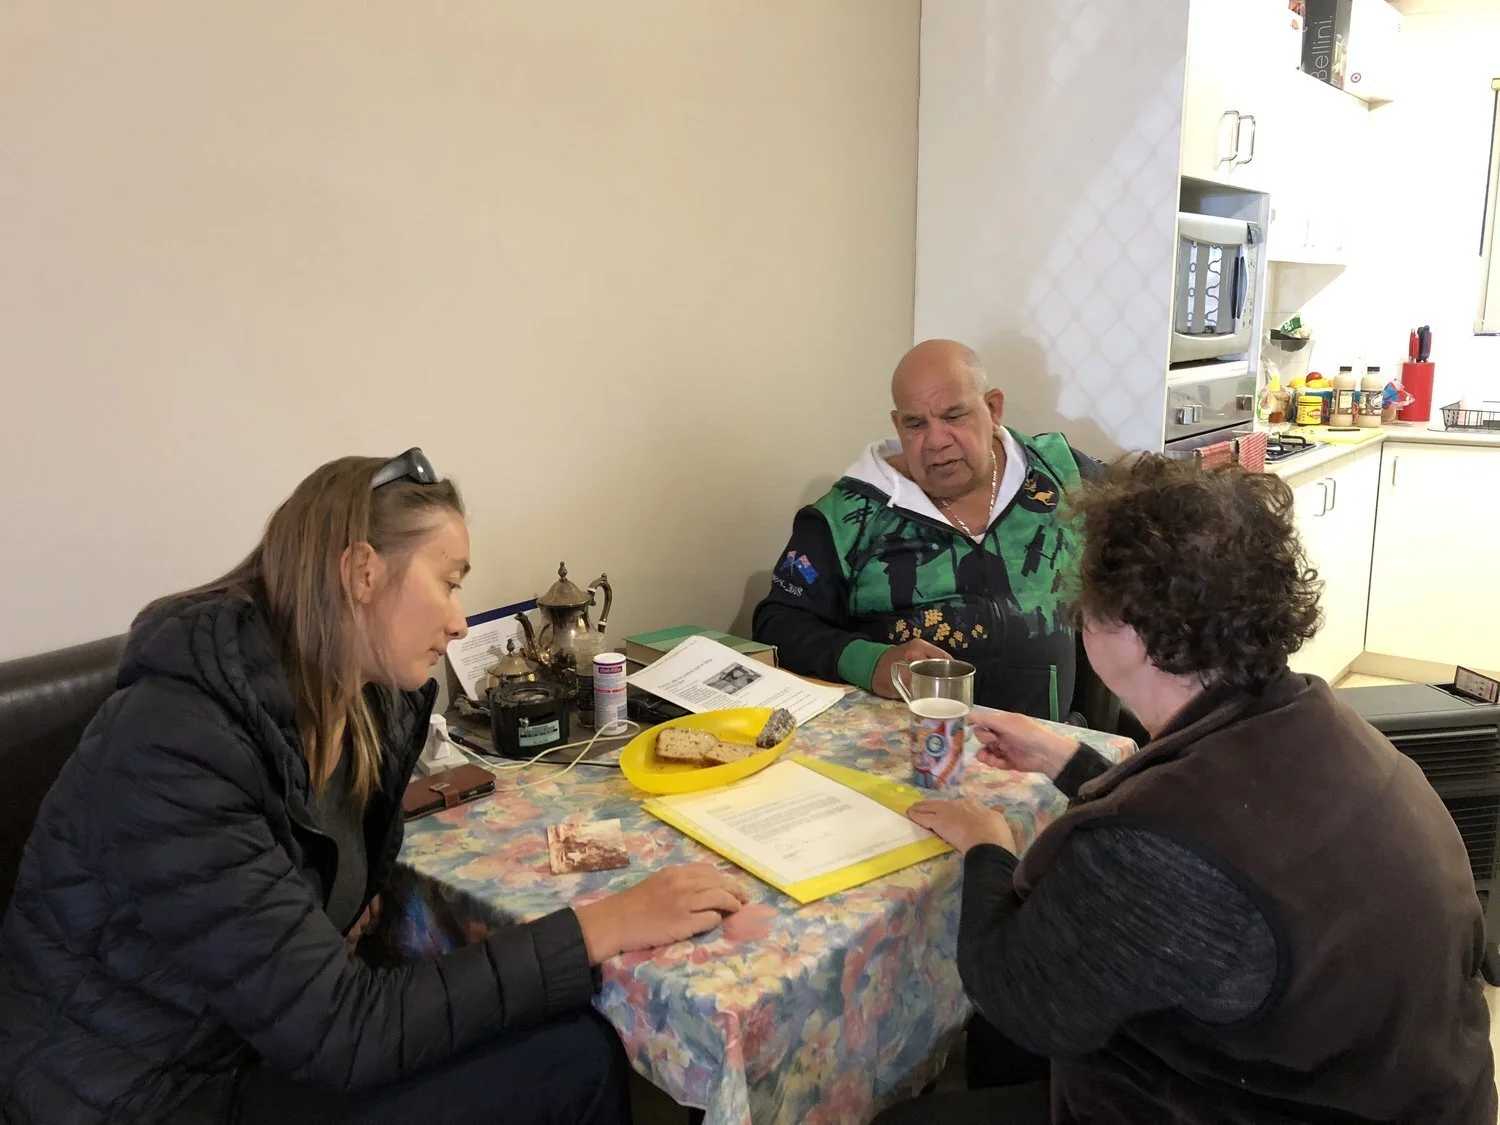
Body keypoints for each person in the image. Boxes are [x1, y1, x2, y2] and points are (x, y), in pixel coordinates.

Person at [0, 449, 747, 1125]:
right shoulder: (172, 744)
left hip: (249, 1033)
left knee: (551, 1029)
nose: (460, 620)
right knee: (572, 1059)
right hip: (146, 1088)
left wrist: (333, 910)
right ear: (361, 572)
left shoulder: (356, 697)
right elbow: (342, 1030)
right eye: (449, 581)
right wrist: (604, 923)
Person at [878, 457, 1495, 1125]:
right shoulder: (1323, 720)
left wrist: (987, 843)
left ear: (1128, 631)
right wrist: (1074, 762)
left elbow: (1020, 997)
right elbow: (1224, 831)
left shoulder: (1160, 851)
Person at [752, 339, 1099, 721]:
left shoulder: (1064, 474)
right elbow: (777, 625)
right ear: (897, 424)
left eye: (954, 416)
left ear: (993, 407)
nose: (936, 441)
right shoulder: (845, 516)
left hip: (1047, 747)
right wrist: (872, 662)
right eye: (916, 424)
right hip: (909, 752)